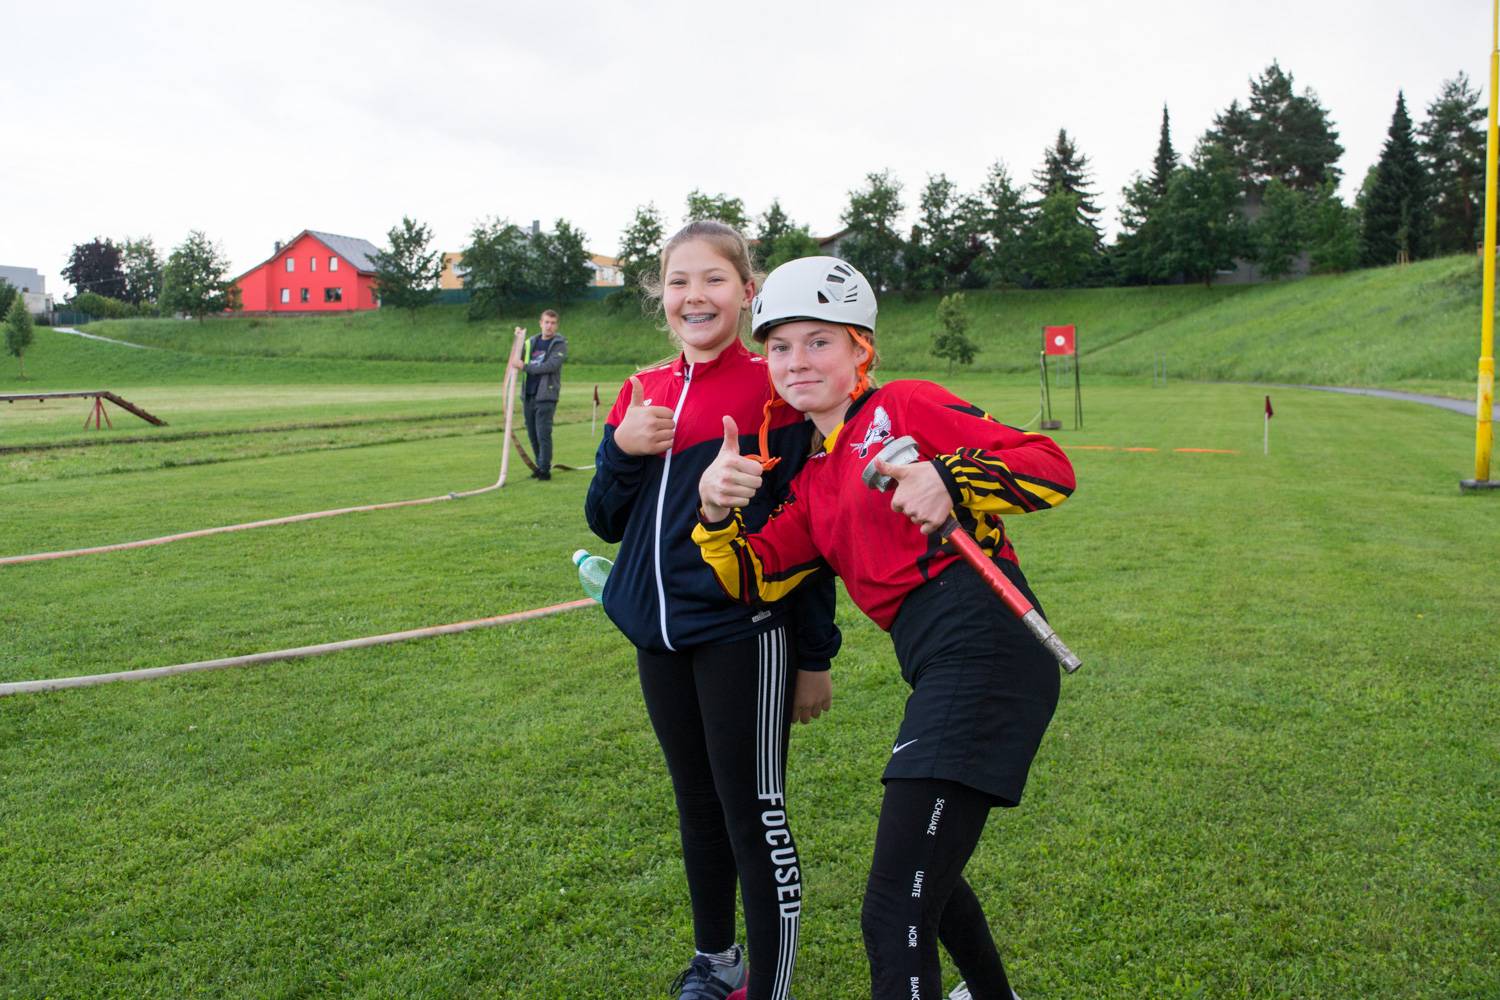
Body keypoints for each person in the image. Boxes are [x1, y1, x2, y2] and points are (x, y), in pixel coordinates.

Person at [693, 256, 1075, 1000]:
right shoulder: (812, 480)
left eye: (819, 342)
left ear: (859, 348)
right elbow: (751, 574)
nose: (797, 362)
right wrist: (713, 511)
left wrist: (950, 478)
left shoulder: (904, 405)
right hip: (933, 659)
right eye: (780, 347)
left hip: (988, 645)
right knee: (928, 878)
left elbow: (1051, 465)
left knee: (893, 909)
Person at [584, 222, 841, 1000]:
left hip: (744, 633)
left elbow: (811, 537)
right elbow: (604, 519)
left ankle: (769, 988)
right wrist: (624, 448)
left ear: (747, 291)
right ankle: (717, 962)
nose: (694, 296)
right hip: (659, 639)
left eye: (713, 280)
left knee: (753, 814)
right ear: (660, 295)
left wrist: (813, 657)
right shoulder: (641, 390)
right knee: (697, 808)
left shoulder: (777, 388)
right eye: (678, 282)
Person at [514, 308, 567, 480]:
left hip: (546, 396)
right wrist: (517, 339)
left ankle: (545, 470)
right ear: (540, 323)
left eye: (553, 323)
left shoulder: (559, 344)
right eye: (546, 322)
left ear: (556, 325)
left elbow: (550, 366)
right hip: (529, 394)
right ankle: (539, 465)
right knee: (532, 433)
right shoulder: (531, 342)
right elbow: (517, 357)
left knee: (543, 433)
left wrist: (525, 367)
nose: (549, 326)